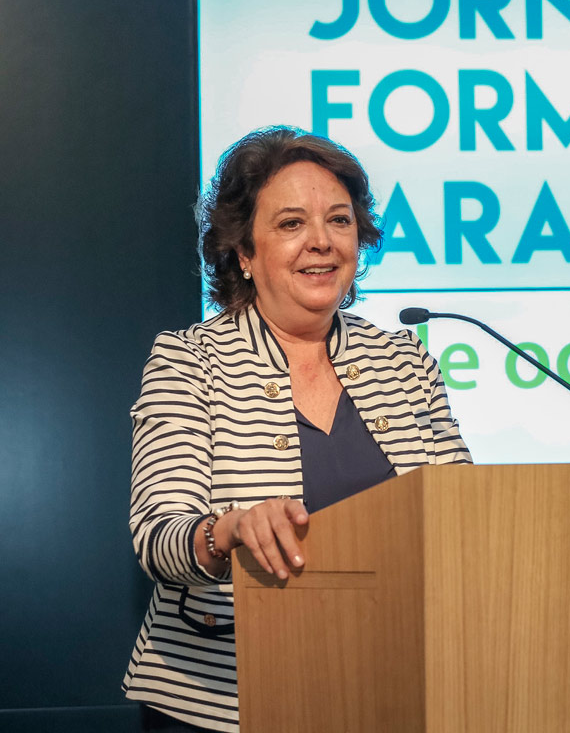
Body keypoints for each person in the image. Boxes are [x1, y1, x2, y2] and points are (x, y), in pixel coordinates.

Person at [122, 126, 471, 732]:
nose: (322, 242)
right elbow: (158, 539)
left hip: (394, 685)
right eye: (291, 224)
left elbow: (466, 514)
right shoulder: (190, 361)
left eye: (339, 220)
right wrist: (230, 530)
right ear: (244, 252)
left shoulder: (405, 360)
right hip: (225, 701)